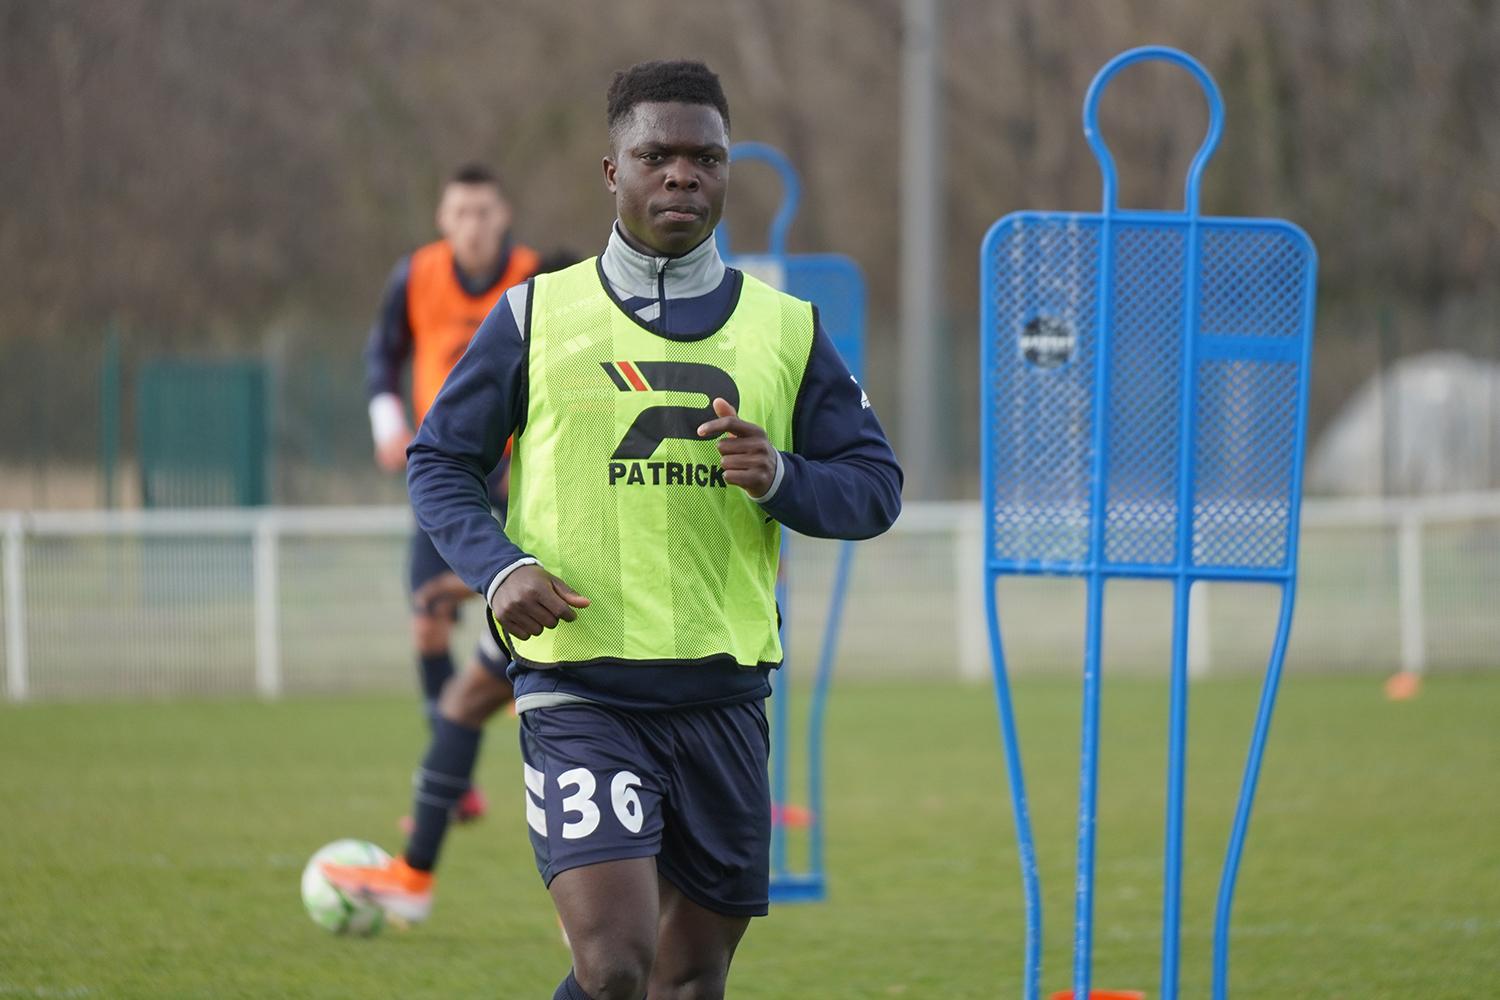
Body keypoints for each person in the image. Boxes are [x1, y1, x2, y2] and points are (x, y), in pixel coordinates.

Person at [329, 59, 902, 999]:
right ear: (612, 172)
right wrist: (497, 566)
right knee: (616, 963)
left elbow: (876, 487)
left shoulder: (786, 329)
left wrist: (786, 477)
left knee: (687, 983)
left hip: (724, 701)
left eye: (704, 159)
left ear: (725, 173)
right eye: (657, 155)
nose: (682, 175)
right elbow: (439, 462)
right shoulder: (535, 315)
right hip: (580, 692)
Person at [360, 162, 539, 877]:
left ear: (504, 217)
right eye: (461, 211)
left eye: (485, 211)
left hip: (520, 473)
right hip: (449, 473)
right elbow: (383, 353)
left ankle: (461, 787)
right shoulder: (417, 275)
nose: (473, 224)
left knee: (527, 641)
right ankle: (455, 779)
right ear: (443, 217)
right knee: (428, 620)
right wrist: (387, 419)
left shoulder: (535, 278)